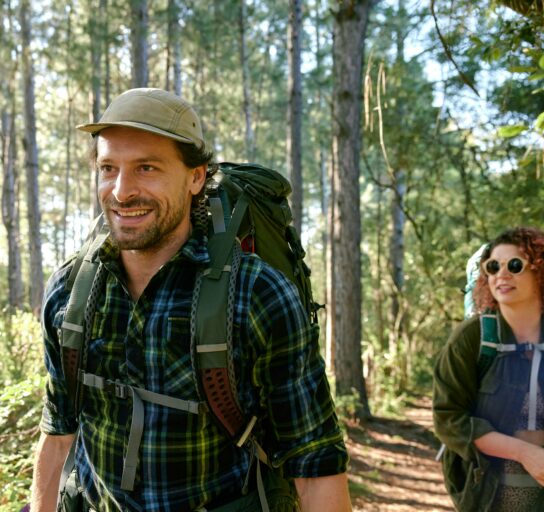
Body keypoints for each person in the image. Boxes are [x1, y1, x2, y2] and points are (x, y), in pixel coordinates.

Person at [30, 88, 351, 512]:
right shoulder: (71, 292)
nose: (122, 191)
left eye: (147, 168)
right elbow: (57, 434)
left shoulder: (257, 294)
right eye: (109, 168)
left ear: (196, 177)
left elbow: (316, 464)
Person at [433, 226, 544, 512]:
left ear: (542, 272)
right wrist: (525, 453)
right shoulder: (470, 339)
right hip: (491, 493)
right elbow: (448, 418)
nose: (501, 274)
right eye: (493, 266)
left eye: (514, 265)